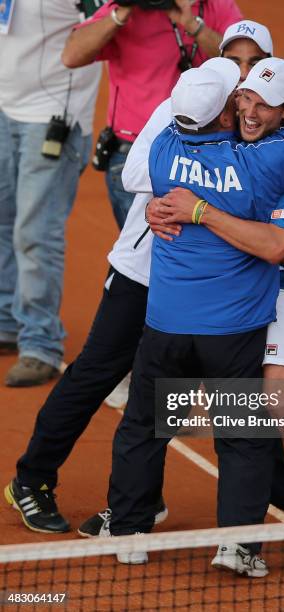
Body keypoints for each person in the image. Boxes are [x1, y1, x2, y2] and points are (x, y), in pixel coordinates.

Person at [4, 31, 284, 543]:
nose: (244, 72)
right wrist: (172, 198)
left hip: (212, 287)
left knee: (231, 396)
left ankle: (282, 500)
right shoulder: (193, 99)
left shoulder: (254, 116)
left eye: (255, 63)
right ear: (220, 61)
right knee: (99, 374)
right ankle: (32, 480)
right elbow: (133, 172)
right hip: (143, 272)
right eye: (236, 60)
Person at [100, 57, 284, 578]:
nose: (250, 111)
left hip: (170, 317)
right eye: (242, 98)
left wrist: (189, 208)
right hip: (232, 324)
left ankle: (129, 531)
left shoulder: (166, 148)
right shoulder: (265, 164)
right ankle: (238, 544)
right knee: (240, 433)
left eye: (261, 102)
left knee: (147, 425)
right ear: (226, 111)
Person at [61, 0, 243, 230]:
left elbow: (244, 62)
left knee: (199, 245)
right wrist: (122, 12)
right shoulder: (125, 8)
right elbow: (71, 55)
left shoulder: (214, 6)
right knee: (141, 253)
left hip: (211, 149)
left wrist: (191, 24)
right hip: (136, 153)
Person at [0, 0, 101, 387]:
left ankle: (40, 342)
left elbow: (105, 26)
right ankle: (8, 320)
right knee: (4, 221)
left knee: (35, 233)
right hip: (7, 108)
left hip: (53, 115)